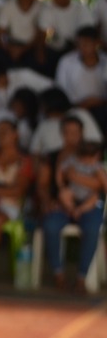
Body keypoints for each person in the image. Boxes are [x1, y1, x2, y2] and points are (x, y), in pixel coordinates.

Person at [39, 116, 107, 291]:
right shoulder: (53, 157)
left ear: (82, 134)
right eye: (67, 133)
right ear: (62, 134)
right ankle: (58, 274)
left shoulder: (91, 155)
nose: (71, 137)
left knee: (93, 229)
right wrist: (51, 200)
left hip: (89, 205)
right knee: (51, 226)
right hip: (61, 206)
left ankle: (82, 277)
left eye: (75, 133)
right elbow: (45, 184)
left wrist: (76, 177)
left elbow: (100, 185)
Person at [0, 118, 34, 272]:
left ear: (16, 134)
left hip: (10, 206)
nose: (1, 135)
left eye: (5, 131)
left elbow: (18, 191)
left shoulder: (23, 161)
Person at [54, 25, 107, 134]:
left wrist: (97, 102)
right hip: (73, 108)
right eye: (79, 44)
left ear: (97, 43)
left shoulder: (105, 61)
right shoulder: (66, 62)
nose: (82, 48)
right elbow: (60, 90)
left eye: (86, 44)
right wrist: (79, 105)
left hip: (103, 108)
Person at [0, 0, 46, 70]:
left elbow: (41, 34)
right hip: (11, 46)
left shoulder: (42, 8)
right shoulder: (8, 6)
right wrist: (8, 48)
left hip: (32, 47)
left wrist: (23, 49)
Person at [40, 0, 93, 65]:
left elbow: (89, 33)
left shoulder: (80, 9)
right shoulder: (49, 9)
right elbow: (42, 33)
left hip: (78, 49)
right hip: (55, 50)